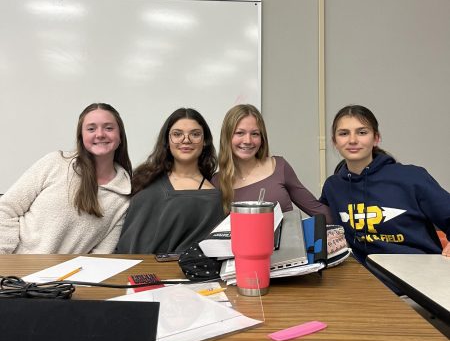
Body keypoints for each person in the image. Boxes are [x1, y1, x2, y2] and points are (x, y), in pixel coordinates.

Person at [320, 104, 450, 263]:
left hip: (420, 275)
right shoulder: (333, 187)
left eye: (362, 132)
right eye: (344, 133)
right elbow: (322, 229)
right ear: (335, 141)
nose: (352, 140)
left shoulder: (412, 177)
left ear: (376, 138)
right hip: (365, 279)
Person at [0, 103, 132, 254]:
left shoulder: (124, 195)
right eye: (91, 128)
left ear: (120, 136)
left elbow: (102, 254)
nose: (100, 134)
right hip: (12, 270)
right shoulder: (55, 163)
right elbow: (5, 209)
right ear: (81, 137)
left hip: (63, 277)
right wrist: (4, 260)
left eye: (109, 128)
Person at [116, 107, 224, 254]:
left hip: (169, 274)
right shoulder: (144, 178)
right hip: (124, 268)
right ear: (167, 140)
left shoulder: (211, 198)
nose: (186, 140)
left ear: (205, 141)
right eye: (177, 134)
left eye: (195, 134)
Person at [213, 104, 333, 222]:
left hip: (286, 242)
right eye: (240, 133)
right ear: (227, 137)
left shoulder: (279, 167)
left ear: (262, 138)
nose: (248, 140)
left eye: (255, 134)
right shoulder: (216, 182)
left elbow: (317, 209)